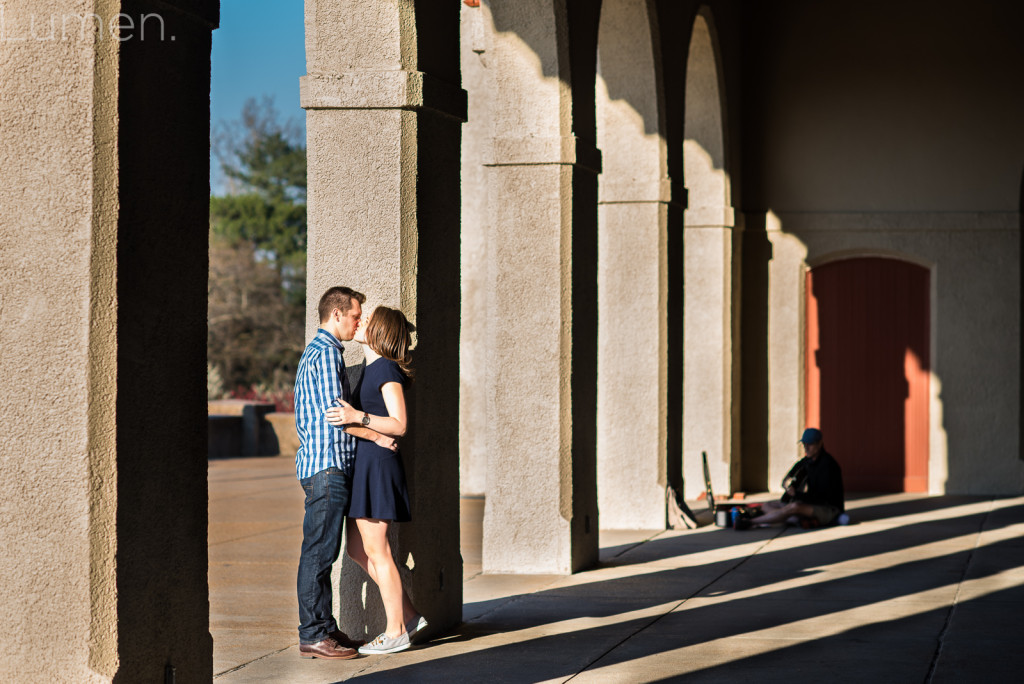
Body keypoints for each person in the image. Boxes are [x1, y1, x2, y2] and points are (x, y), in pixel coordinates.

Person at [293, 287, 398, 660]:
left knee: (325, 552)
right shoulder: (323, 355)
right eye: (355, 315)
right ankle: (314, 634)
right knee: (319, 555)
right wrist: (376, 436)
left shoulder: (327, 354)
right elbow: (336, 417)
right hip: (326, 468)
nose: (358, 322)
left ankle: (324, 627)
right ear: (336, 314)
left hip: (329, 468)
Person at [326, 305, 427, 655]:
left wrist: (359, 416)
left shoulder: (385, 368)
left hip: (378, 467)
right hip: (365, 464)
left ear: (380, 330)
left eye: (367, 320)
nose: (360, 322)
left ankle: (396, 630)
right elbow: (356, 424)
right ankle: (410, 615)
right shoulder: (369, 370)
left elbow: (399, 423)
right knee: (357, 549)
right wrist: (358, 423)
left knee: (377, 549)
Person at [746, 428, 844, 528]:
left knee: (794, 506)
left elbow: (821, 498)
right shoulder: (808, 460)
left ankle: (751, 522)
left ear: (819, 444)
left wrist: (797, 495)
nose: (806, 448)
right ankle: (795, 519)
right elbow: (795, 469)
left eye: (809, 444)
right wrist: (786, 481)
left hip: (828, 509)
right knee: (767, 505)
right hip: (811, 504)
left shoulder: (828, 466)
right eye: (804, 444)